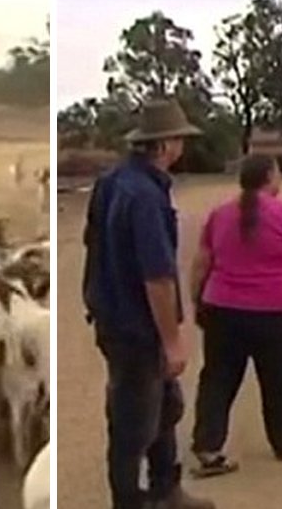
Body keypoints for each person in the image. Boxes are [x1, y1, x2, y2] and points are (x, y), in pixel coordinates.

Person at [82, 98, 215, 509]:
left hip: (112, 317)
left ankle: (165, 489)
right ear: (165, 144)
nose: (181, 147)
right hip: (137, 327)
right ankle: (129, 500)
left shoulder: (113, 182)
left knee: (164, 405)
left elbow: (93, 243)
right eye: (178, 139)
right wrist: (172, 340)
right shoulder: (145, 196)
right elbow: (157, 276)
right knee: (133, 421)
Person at [187, 154, 282, 477]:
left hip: (223, 311)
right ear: (270, 176)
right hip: (277, 314)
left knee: (217, 380)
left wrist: (197, 302)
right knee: (281, 382)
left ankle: (208, 448)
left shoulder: (220, 215)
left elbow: (201, 263)